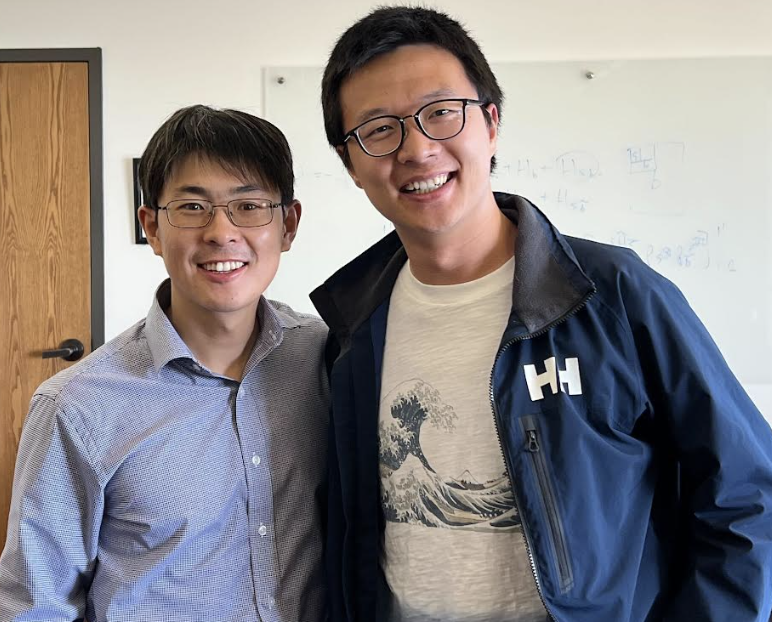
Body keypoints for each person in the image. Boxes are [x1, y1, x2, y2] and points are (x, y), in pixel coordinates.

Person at [310, 6, 772, 621]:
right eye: (378, 129)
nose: (418, 148)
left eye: (442, 112)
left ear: (491, 124)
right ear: (351, 163)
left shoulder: (611, 292)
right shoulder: (350, 329)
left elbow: (748, 497)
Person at [0, 105, 328, 621]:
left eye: (249, 205)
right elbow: (36, 604)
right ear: (152, 227)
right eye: (193, 208)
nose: (222, 231)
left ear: (288, 225)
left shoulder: (326, 359)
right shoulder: (77, 407)